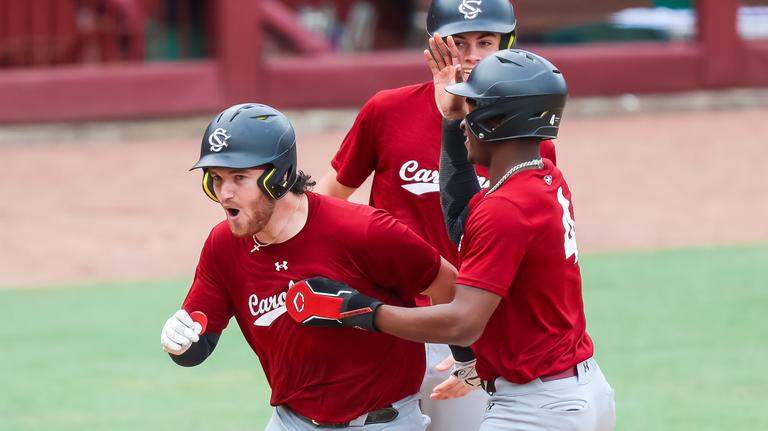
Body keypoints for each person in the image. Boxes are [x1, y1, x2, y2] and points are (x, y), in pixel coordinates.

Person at [286, 49, 616, 430]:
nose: (465, 120)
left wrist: (357, 310)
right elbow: (460, 220)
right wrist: (450, 122)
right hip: (573, 390)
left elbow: (463, 325)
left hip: (537, 408)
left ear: (496, 121)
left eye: (472, 107)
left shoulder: (506, 209)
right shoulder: (541, 178)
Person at [315, 1, 555, 428]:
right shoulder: (386, 111)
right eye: (458, 43)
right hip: (390, 322)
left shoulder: (521, 132)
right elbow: (331, 204)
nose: (472, 55)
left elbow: (536, 244)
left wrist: (485, 347)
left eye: (486, 41)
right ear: (433, 46)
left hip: (467, 322)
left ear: (507, 43)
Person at [159, 103, 458, 430]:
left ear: (280, 177)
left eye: (239, 177)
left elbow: (450, 287)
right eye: (216, 178)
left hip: (381, 422)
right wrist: (180, 342)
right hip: (290, 421)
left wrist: (465, 357)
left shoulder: (362, 231)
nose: (224, 193)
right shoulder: (224, 247)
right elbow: (198, 344)